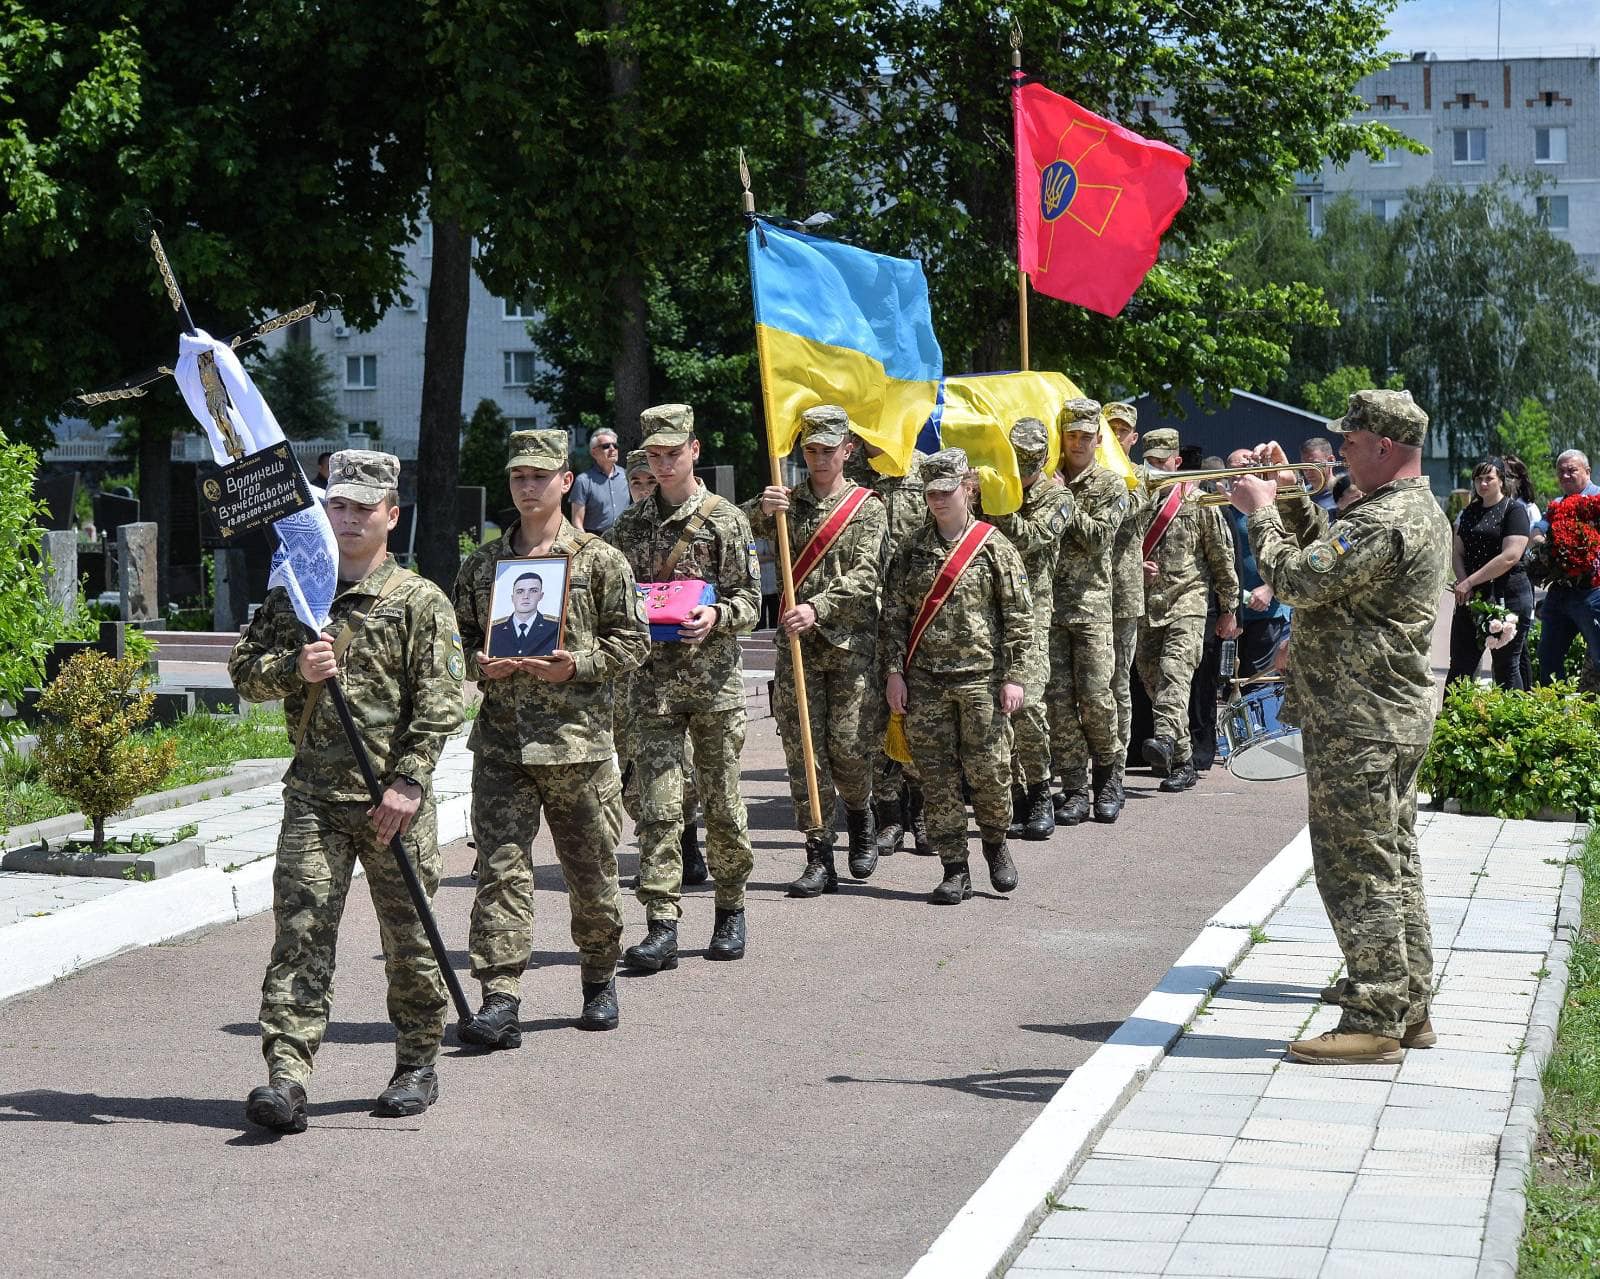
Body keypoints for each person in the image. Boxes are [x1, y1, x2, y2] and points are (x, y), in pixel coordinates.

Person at [230, 449, 465, 1132]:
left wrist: (410, 781)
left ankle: (417, 1062)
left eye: (365, 506)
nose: (350, 517)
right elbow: (245, 672)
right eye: (339, 504)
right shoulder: (299, 594)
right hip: (314, 798)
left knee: (409, 939)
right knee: (300, 935)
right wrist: (295, 667)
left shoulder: (419, 600)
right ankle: (287, 1076)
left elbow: (442, 700)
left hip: (392, 803)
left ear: (392, 513)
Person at [1231, 388, 1450, 1064]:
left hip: (1360, 718)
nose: (1344, 454)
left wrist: (1262, 513)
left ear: (1385, 446)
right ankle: (1407, 1003)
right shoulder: (1408, 509)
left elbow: (1301, 578)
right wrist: (1293, 496)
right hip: (1384, 714)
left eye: (1351, 443)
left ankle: (1376, 1014)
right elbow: (1332, 559)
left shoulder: (1384, 519)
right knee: (1392, 861)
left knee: (1355, 870)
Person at [452, 429, 649, 1046]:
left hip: (578, 748)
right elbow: (456, 640)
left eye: (540, 475)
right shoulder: (484, 566)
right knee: (500, 871)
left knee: (590, 872)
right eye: (518, 477)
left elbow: (635, 642)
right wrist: (476, 662)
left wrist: (578, 664)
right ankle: (500, 996)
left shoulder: (598, 559)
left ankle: (598, 976)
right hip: (503, 748)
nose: (528, 486)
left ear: (567, 481)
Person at [610, 403, 759, 970]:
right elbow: (613, 603)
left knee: (721, 802)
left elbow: (751, 596)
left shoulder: (725, 520)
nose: (665, 464)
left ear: (694, 450)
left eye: (674, 453)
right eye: (655, 456)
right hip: (650, 688)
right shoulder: (630, 527)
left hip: (713, 684)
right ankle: (662, 924)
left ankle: (730, 908)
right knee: (658, 808)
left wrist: (718, 615)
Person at [748, 405, 888, 894]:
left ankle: (860, 812)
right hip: (799, 650)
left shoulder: (867, 507)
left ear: (848, 451)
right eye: (811, 450)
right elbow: (741, 531)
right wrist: (760, 510)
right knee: (803, 752)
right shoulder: (788, 503)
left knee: (848, 749)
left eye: (829, 450)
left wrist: (817, 607)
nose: (819, 459)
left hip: (849, 646)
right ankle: (818, 852)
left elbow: (868, 574)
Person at [883, 449, 1032, 905]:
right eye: (930, 493)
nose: (937, 501)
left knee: (989, 773)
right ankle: (954, 868)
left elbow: (1019, 616)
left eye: (946, 491)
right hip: (926, 681)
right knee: (937, 778)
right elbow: (893, 618)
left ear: (967, 488)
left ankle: (995, 843)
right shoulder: (910, 551)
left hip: (982, 681)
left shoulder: (993, 547)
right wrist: (894, 673)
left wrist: (1015, 676)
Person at [611, 449, 705, 888]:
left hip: (688, 669)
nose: (646, 489)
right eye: (638, 483)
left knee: (683, 768)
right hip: (635, 674)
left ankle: (686, 843)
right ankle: (660, 846)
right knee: (634, 770)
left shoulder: (697, 524)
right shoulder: (621, 536)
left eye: (652, 481)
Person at [1136, 428, 1240, 793]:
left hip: (1188, 602)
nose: (1155, 470)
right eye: (1149, 462)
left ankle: (1164, 739)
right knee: (1153, 681)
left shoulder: (1199, 503)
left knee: (1173, 675)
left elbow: (1222, 560)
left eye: (1162, 463)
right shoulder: (1138, 502)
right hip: (1147, 608)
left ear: (1177, 463)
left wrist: (1229, 609)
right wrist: (1136, 564)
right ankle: (1182, 760)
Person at [845, 436, 931, 857]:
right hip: (864, 614)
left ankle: (925, 811)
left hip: (919, 612)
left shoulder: (928, 469)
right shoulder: (848, 473)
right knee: (873, 717)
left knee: (917, 711)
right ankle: (890, 813)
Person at [1047, 399, 1132, 823]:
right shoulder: (1048, 481)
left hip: (1091, 609)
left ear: (1099, 440)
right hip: (1050, 611)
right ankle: (1075, 788)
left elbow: (1099, 539)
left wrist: (1064, 499)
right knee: (1058, 704)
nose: (1078, 443)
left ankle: (1109, 779)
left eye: (1086, 436)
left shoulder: (1110, 485)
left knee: (1098, 700)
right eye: (1071, 435)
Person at [989, 417, 1071, 839]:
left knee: (1030, 706)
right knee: (995, 712)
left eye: (1027, 462)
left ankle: (1040, 791)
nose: (1019, 470)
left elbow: (1028, 540)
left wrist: (1000, 503)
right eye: (1013, 462)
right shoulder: (995, 487)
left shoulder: (1058, 498)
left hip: (1032, 616)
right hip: (989, 615)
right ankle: (1016, 795)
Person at [1446, 457, 1533, 689]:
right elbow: (1457, 552)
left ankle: (1513, 723)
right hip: (1471, 596)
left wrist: (1470, 581)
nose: (1483, 484)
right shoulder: (1468, 513)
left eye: (1489, 479)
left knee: (1506, 666)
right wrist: (1464, 581)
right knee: (1460, 666)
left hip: (1508, 595)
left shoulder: (1514, 511)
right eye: (1478, 479)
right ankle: (1453, 723)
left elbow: (1510, 556)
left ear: (1501, 481)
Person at [1104, 402, 1151, 807]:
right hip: (1079, 596)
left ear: (1133, 438)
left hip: (1121, 594)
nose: (1116, 435)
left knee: (1118, 683)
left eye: (1123, 431)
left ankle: (1114, 769)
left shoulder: (1141, 478)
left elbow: (1127, 509)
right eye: (1110, 428)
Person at [1532, 450, 1600, 690]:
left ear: (1587, 471)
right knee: (1548, 657)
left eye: (1572, 469)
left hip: (1592, 591)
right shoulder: (1558, 505)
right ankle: (1556, 717)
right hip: (1561, 592)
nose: (1565, 475)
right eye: (1561, 471)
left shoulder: (1597, 500)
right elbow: (1538, 529)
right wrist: (1544, 545)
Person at [1223, 447, 1292, 677]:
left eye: (1248, 466)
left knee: (1255, 683)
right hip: (1230, 610)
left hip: (1266, 611)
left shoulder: (1274, 504)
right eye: (1236, 468)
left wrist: (1270, 589)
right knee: (1225, 683)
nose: (1242, 473)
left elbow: (1294, 552)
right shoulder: (1221, 506)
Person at [569, 428, 630, 533]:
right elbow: (577, 521)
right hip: (596, 539)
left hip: (625, 538)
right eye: (606, 446)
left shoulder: (627, 476)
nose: (612, 449)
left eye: (615, 446)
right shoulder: (583, 481)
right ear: (594, 452)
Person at [487, 570, 560, 657]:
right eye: (520, 591)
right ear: (512, 597)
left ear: (541, 596)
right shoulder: (495, 630)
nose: (526, 596)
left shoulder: (554, 627)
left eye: (533, 591)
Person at [1301, 436, 1338, 513]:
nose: (1308, 471)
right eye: (1304, 465)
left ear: (1331, 461)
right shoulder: (1301, 494)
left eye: (1315, 465)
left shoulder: (1347, 495)